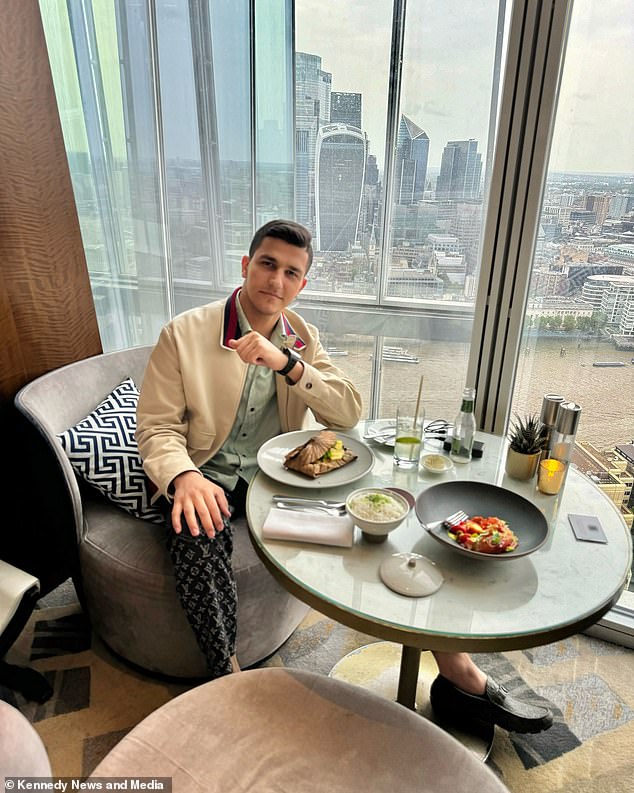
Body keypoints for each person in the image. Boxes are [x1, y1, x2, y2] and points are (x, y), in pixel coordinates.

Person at [136, 219, 554, 734]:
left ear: (302, 284)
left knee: (389, 520)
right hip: (204, 477)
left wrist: (288, 364)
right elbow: (156, 428)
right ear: (246, 267)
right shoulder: (185, 333)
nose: (277, 281)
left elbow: (348, 412)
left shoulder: (303, 337)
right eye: (267, 264)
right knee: (198, 534)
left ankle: (457, 672)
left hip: (276, 485)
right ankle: (229, 678)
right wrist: (183, 476)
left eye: (292, 272)